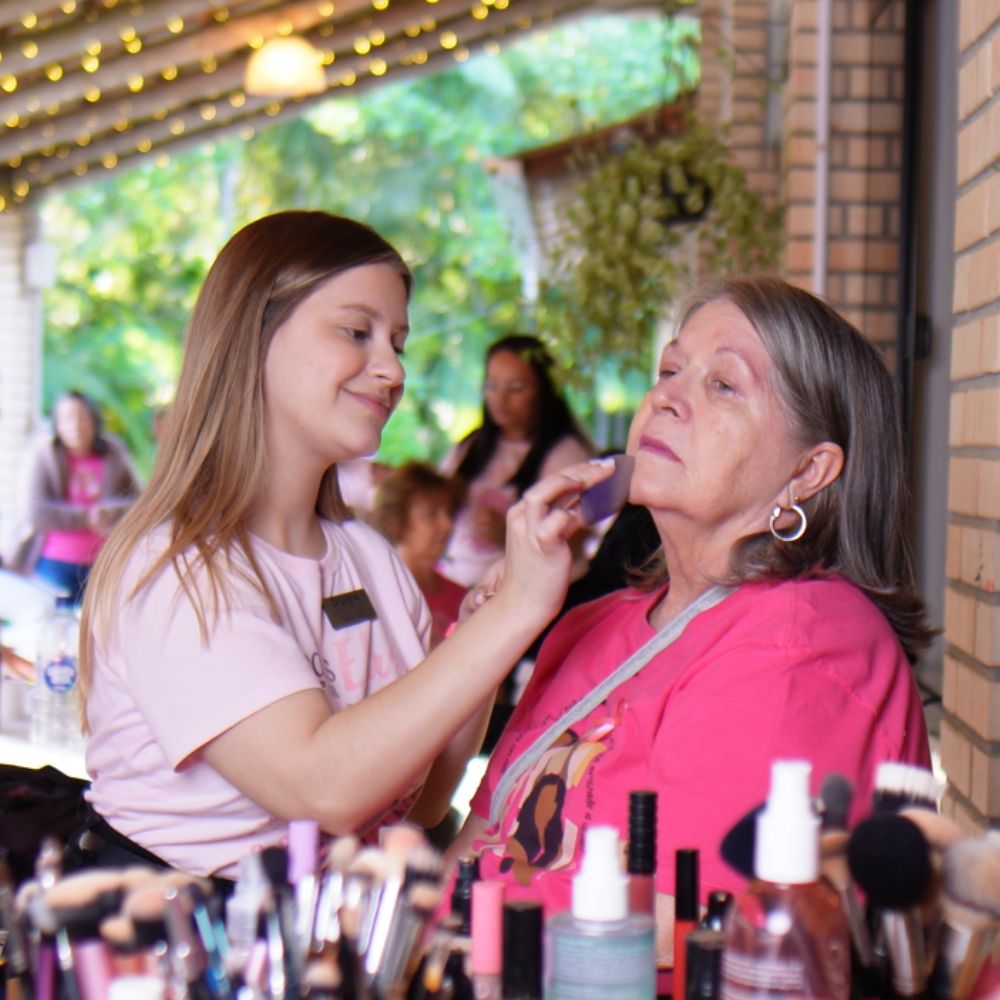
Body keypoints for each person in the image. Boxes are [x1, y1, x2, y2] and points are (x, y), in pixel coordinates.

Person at [77, 211, 614, 878]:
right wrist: (514, 616)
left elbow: (421, 802)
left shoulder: (367, 561)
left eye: (398, 343)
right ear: (255, 337)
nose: (390, 370)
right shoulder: (181, 569)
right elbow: (323, 787)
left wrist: (480, 633)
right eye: (357, 333)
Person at [447, 276, 934, 965]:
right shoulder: (592, 624)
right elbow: (481, 845)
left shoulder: (804, 640)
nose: (666, 398)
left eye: (723, 385)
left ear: (808, 471)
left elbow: (689, 928)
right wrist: (496, 626)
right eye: (669, 370)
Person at [439, 335, 593, 589]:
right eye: (491, 386)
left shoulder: (567, 456)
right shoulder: (471, 446)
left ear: (543, 391)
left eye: (516, 388)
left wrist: (512, 538)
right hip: (456, 588)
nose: (500, 399)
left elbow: (573, 544)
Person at [3, 391, 141, 605]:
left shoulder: (114, 453)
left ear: (94, 420)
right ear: (57, 424)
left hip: (104, 565)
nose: (75, 426)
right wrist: (86, 517)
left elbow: (140, 502)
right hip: (54, 564)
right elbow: (35, 512)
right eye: (67, 418)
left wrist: (109, 512)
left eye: (82, 417)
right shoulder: (43, 455)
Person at [370, 461, 467, 649]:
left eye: (450, 514)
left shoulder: (462, 598)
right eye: (432, 514)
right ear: (398, 519)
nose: (447, 525)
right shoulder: (379, 590)